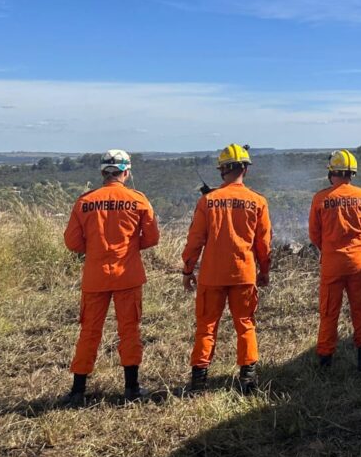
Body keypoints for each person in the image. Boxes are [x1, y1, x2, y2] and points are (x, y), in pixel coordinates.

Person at [63, 149, 159, 406]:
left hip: (95, 277)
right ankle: (132, 389)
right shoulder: (138, 200)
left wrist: (95, 249)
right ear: (126, 172)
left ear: (103, 172)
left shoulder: (85, 201)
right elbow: (152, 238)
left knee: (89, 331)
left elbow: (72, 242)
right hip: (128, 276)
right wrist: (128, 248)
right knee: (129, 330)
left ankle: (77, 391)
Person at [181, 143, 271, 394]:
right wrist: (264, 271)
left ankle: (198, 384)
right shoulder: (258, 201)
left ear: (223, 170)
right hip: (244, 273)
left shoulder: (207, 201)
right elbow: (263, 243)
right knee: (245, 324)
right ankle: (249, 381)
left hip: (212, 275)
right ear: (245, 169)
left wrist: (188, 270)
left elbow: (195, 240)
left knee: (206, 326)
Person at [308, 149, 361, 371]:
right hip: (358, 262)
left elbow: (314, 234)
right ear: (352, 174)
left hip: (332, 264)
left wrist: (328, 248)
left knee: (329, 312)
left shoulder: (321, 198)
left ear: (331, 173)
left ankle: (325, 362)